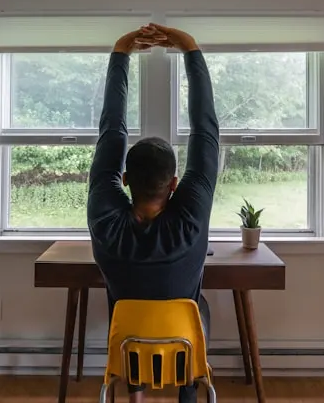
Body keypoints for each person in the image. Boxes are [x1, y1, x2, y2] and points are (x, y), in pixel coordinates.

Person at [87, 23, 220, 403]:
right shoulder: (189, 220)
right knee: (197, 306)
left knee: (128, 304)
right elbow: (205, 131)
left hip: (128, 346)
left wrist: (121, 52)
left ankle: (135, 395)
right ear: (174, 185)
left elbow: (111, 131)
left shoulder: (104, 219)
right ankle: (188, 391)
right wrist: (190, 48)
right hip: (184, 349)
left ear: (125, 179)